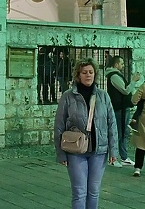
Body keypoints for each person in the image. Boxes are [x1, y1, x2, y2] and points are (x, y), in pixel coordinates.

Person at [55, 57, 119, 209]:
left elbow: (112, 123)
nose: (88, 75)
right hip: (76, 151)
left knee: (94, 192)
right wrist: (60, 153)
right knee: (79, 192)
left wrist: (113, 150)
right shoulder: (68, 96)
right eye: (84, 72)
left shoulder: (103, 96)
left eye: (91, 72)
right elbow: (58, 125)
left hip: (99, 151)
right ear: (78, 75)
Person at [104, 55, 141, 167]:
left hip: (121, 108)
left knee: (122, 133)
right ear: (116, 64)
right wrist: (133, 81)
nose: (123, 65)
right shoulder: (114, 76)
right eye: (121, 63)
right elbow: (125, 91)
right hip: (119, 109)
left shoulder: (116, 75)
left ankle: (122, 156)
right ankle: (115, 157)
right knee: (118, 133)